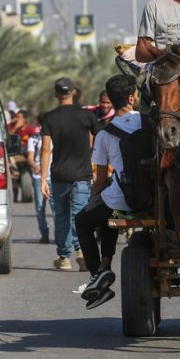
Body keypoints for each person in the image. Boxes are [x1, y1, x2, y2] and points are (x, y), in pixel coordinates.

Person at [74, 75, 142, 309]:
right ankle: (103, 266)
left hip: (125, 197)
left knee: (83, 220)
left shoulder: (104, 133)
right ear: (132, 97)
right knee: (107, 208)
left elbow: (100, 180)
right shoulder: (150, 123)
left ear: (111, 101)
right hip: (157, 195)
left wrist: (93, 199)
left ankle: (99, 274)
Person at [41, 77, 102, 271]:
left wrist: (43, 179)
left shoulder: (50, 117)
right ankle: (82, 253)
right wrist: (97, 163)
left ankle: (64, 258)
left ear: (56, 94)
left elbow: (45, 149)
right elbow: (101, 137)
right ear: (74, 92)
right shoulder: (86, 116)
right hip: (82, 175)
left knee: (61, 217)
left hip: (59, 175)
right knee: (80, 216)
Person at [26, 116, 53, 244]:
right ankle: (44, 233)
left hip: (54, 177)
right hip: (38, 178)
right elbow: (30, 158)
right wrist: (36, 167)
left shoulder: (56, 137)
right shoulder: (33, 139)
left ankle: (59, 235)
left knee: (56, 208)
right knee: (40, 207)